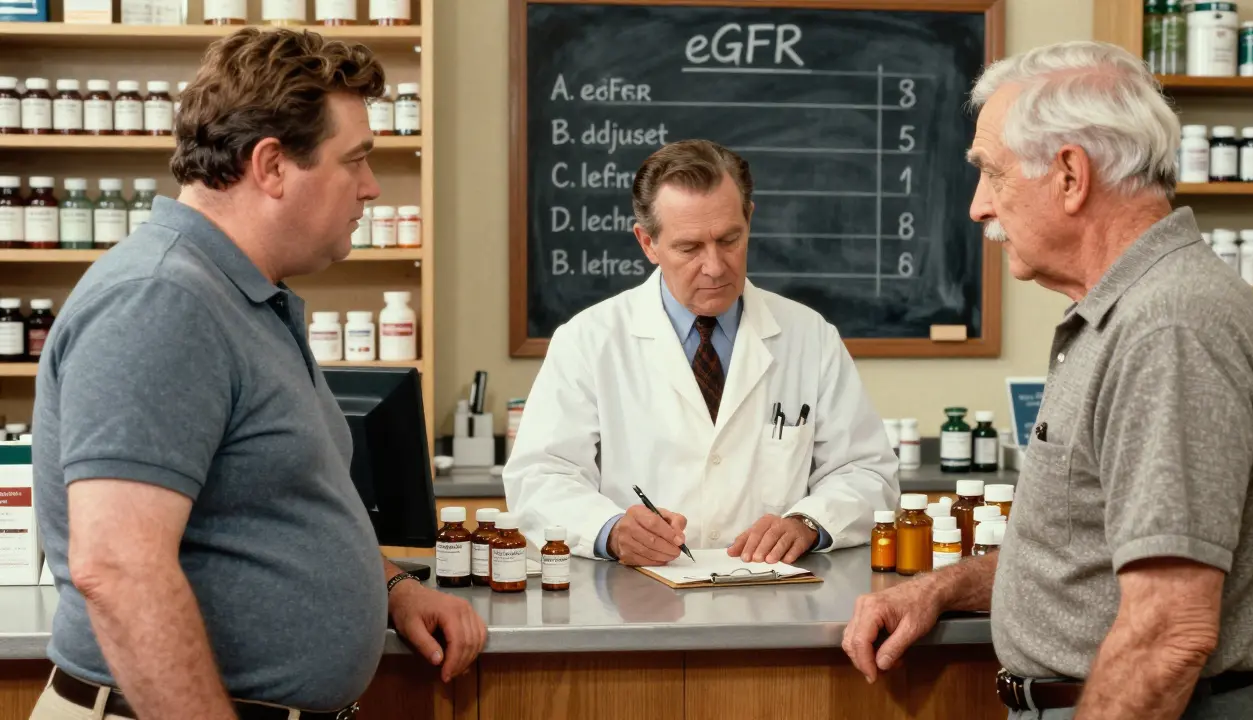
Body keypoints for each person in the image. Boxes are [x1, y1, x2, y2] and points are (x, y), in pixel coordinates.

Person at [30, 28, 485, 720]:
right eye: (355, 160)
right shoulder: (162, 300)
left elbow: (271, 502)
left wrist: (391, 586)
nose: (370, 188)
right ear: (271, 165)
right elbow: (118, 567)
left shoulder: (238, 296)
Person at [843, 41, 1253, 719]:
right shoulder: (1130, 313)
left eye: (992, 174)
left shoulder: (1169, 328)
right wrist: (941, 587)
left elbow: (1168, 633)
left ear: (1071, 176)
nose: (978, 207)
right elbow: (1090, 556)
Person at [504, 139, 899, 567]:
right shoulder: (588, 340)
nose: (714, 266)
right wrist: (611, 530)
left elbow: (867, 473)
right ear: (647, 243)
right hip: (635, 593)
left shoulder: (810, 337)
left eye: (729, 240)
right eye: (689, 248)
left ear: (749, 219)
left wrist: (809, 521)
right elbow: (539, 478)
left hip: (772, 590)